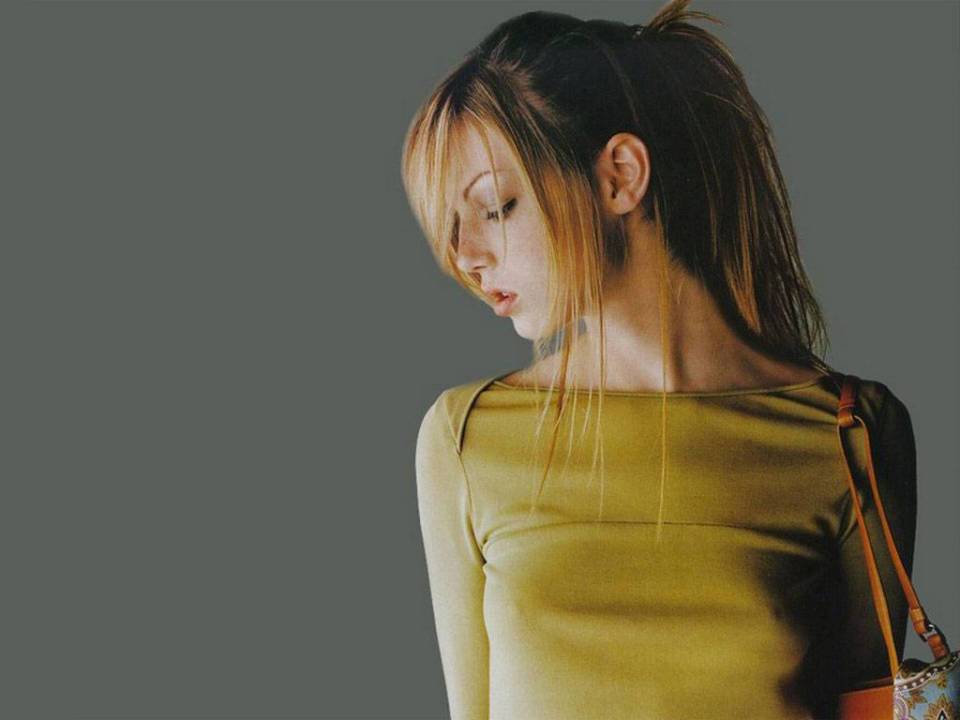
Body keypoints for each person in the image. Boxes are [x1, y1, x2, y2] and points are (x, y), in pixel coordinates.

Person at [401, 1, 918, 717]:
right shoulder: (465, 439)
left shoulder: (848, 433)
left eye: (495, 207)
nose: (464, 256)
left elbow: (872, 703)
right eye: (453, 226)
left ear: (619, 176)